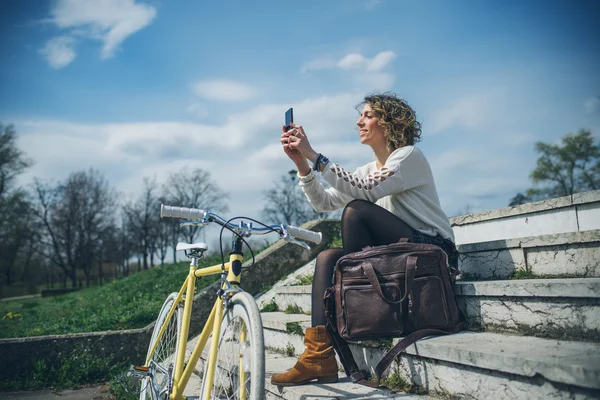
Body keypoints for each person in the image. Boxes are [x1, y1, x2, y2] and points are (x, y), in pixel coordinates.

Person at [270, 92, 458, 387]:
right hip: (401, 252)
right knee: (327, 258)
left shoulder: (408, 157)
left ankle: (363, 304)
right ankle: (317, 355)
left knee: (356, 210)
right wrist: (303, 165)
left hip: (432, 251)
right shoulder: (367, 170)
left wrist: (315, 156)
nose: (359, 121)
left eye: (368, 115)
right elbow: (324, 201)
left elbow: (365, 191)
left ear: (391, 123)